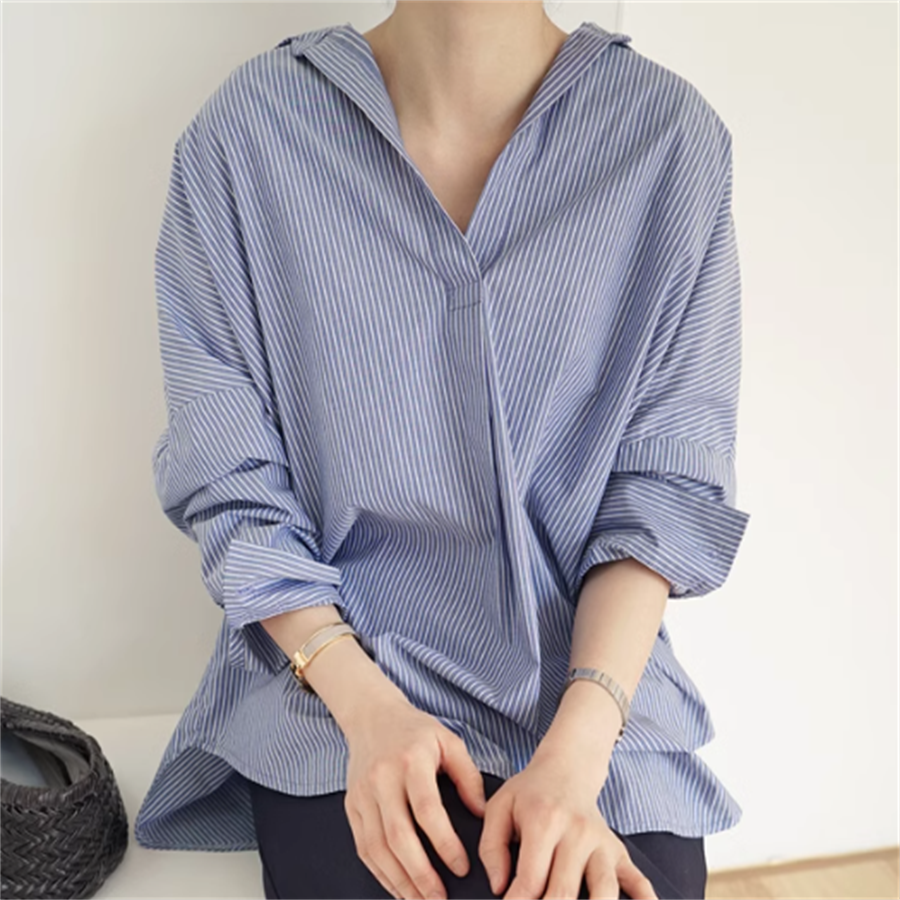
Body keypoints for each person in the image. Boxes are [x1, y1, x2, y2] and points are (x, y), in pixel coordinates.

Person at [134, 1, 752, 898]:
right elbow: (230, 485)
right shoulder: (247, 135)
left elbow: (662, 495)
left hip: (592, 696)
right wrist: (367, 711)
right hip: (339, 691)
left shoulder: (669, 141)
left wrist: (576, 755)